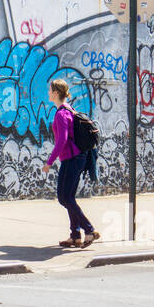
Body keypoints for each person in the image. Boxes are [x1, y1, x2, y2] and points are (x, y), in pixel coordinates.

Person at [42, 80, 99, 249]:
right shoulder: (69, 110)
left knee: (64, 197)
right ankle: (75, 236)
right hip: (77, 158)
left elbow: (62, 140)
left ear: (56, 92)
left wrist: (49, 162)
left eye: (50, 89)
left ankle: (89, 229)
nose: (48, 92)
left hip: (71, 159)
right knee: (69, 198)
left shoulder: (60, 114)